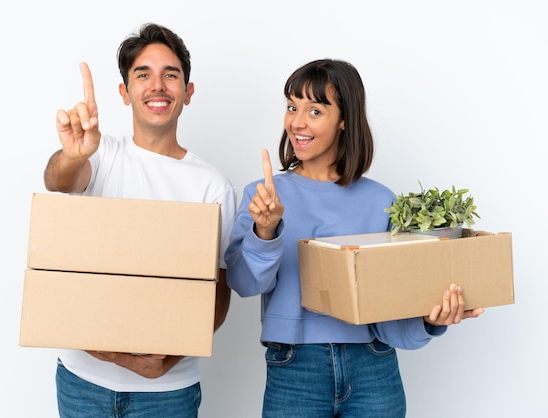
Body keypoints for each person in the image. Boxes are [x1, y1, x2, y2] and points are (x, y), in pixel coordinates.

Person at [224, 58, 484, 418]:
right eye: (291, 107)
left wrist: (430, 321)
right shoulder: (264, 195)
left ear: (344, 119)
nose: (297, 121)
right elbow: (242, 282)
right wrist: (264, 231)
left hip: (373, 366)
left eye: (315, 110)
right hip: (295, 368)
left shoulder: (382, 202)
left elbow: (393, 316)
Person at [43, 23, 237, 418]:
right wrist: (75, 154)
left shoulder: (213, 185)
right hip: (83, 381)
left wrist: (168, 359)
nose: (157, 86)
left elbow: (217, 290)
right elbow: (58, 181)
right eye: (142, 74)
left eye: (171, 74)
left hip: (168, 391)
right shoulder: (100, 155)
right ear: (124, 92)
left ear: (188, 91)